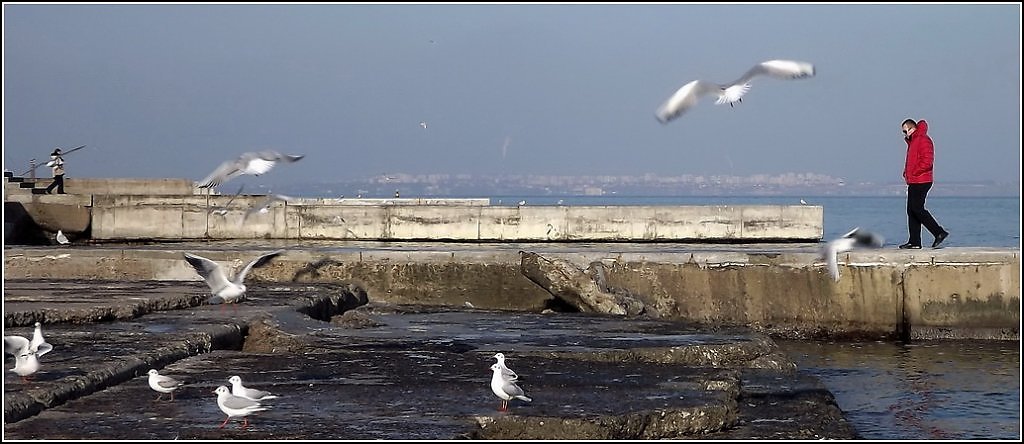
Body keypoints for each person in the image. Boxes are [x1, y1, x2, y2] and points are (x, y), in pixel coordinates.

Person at [899, 119, 948, 249]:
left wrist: (914, 172)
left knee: (917, 209)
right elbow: (913, 160)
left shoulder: (923, 140)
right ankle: (914, 241)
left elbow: (927, 161)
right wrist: (907, 173)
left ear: (912, 128)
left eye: (905, 131)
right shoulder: (913, 142)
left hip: (922, 180)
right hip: (914, 180)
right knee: (911, 210)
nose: (904, 134)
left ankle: (939, 232)